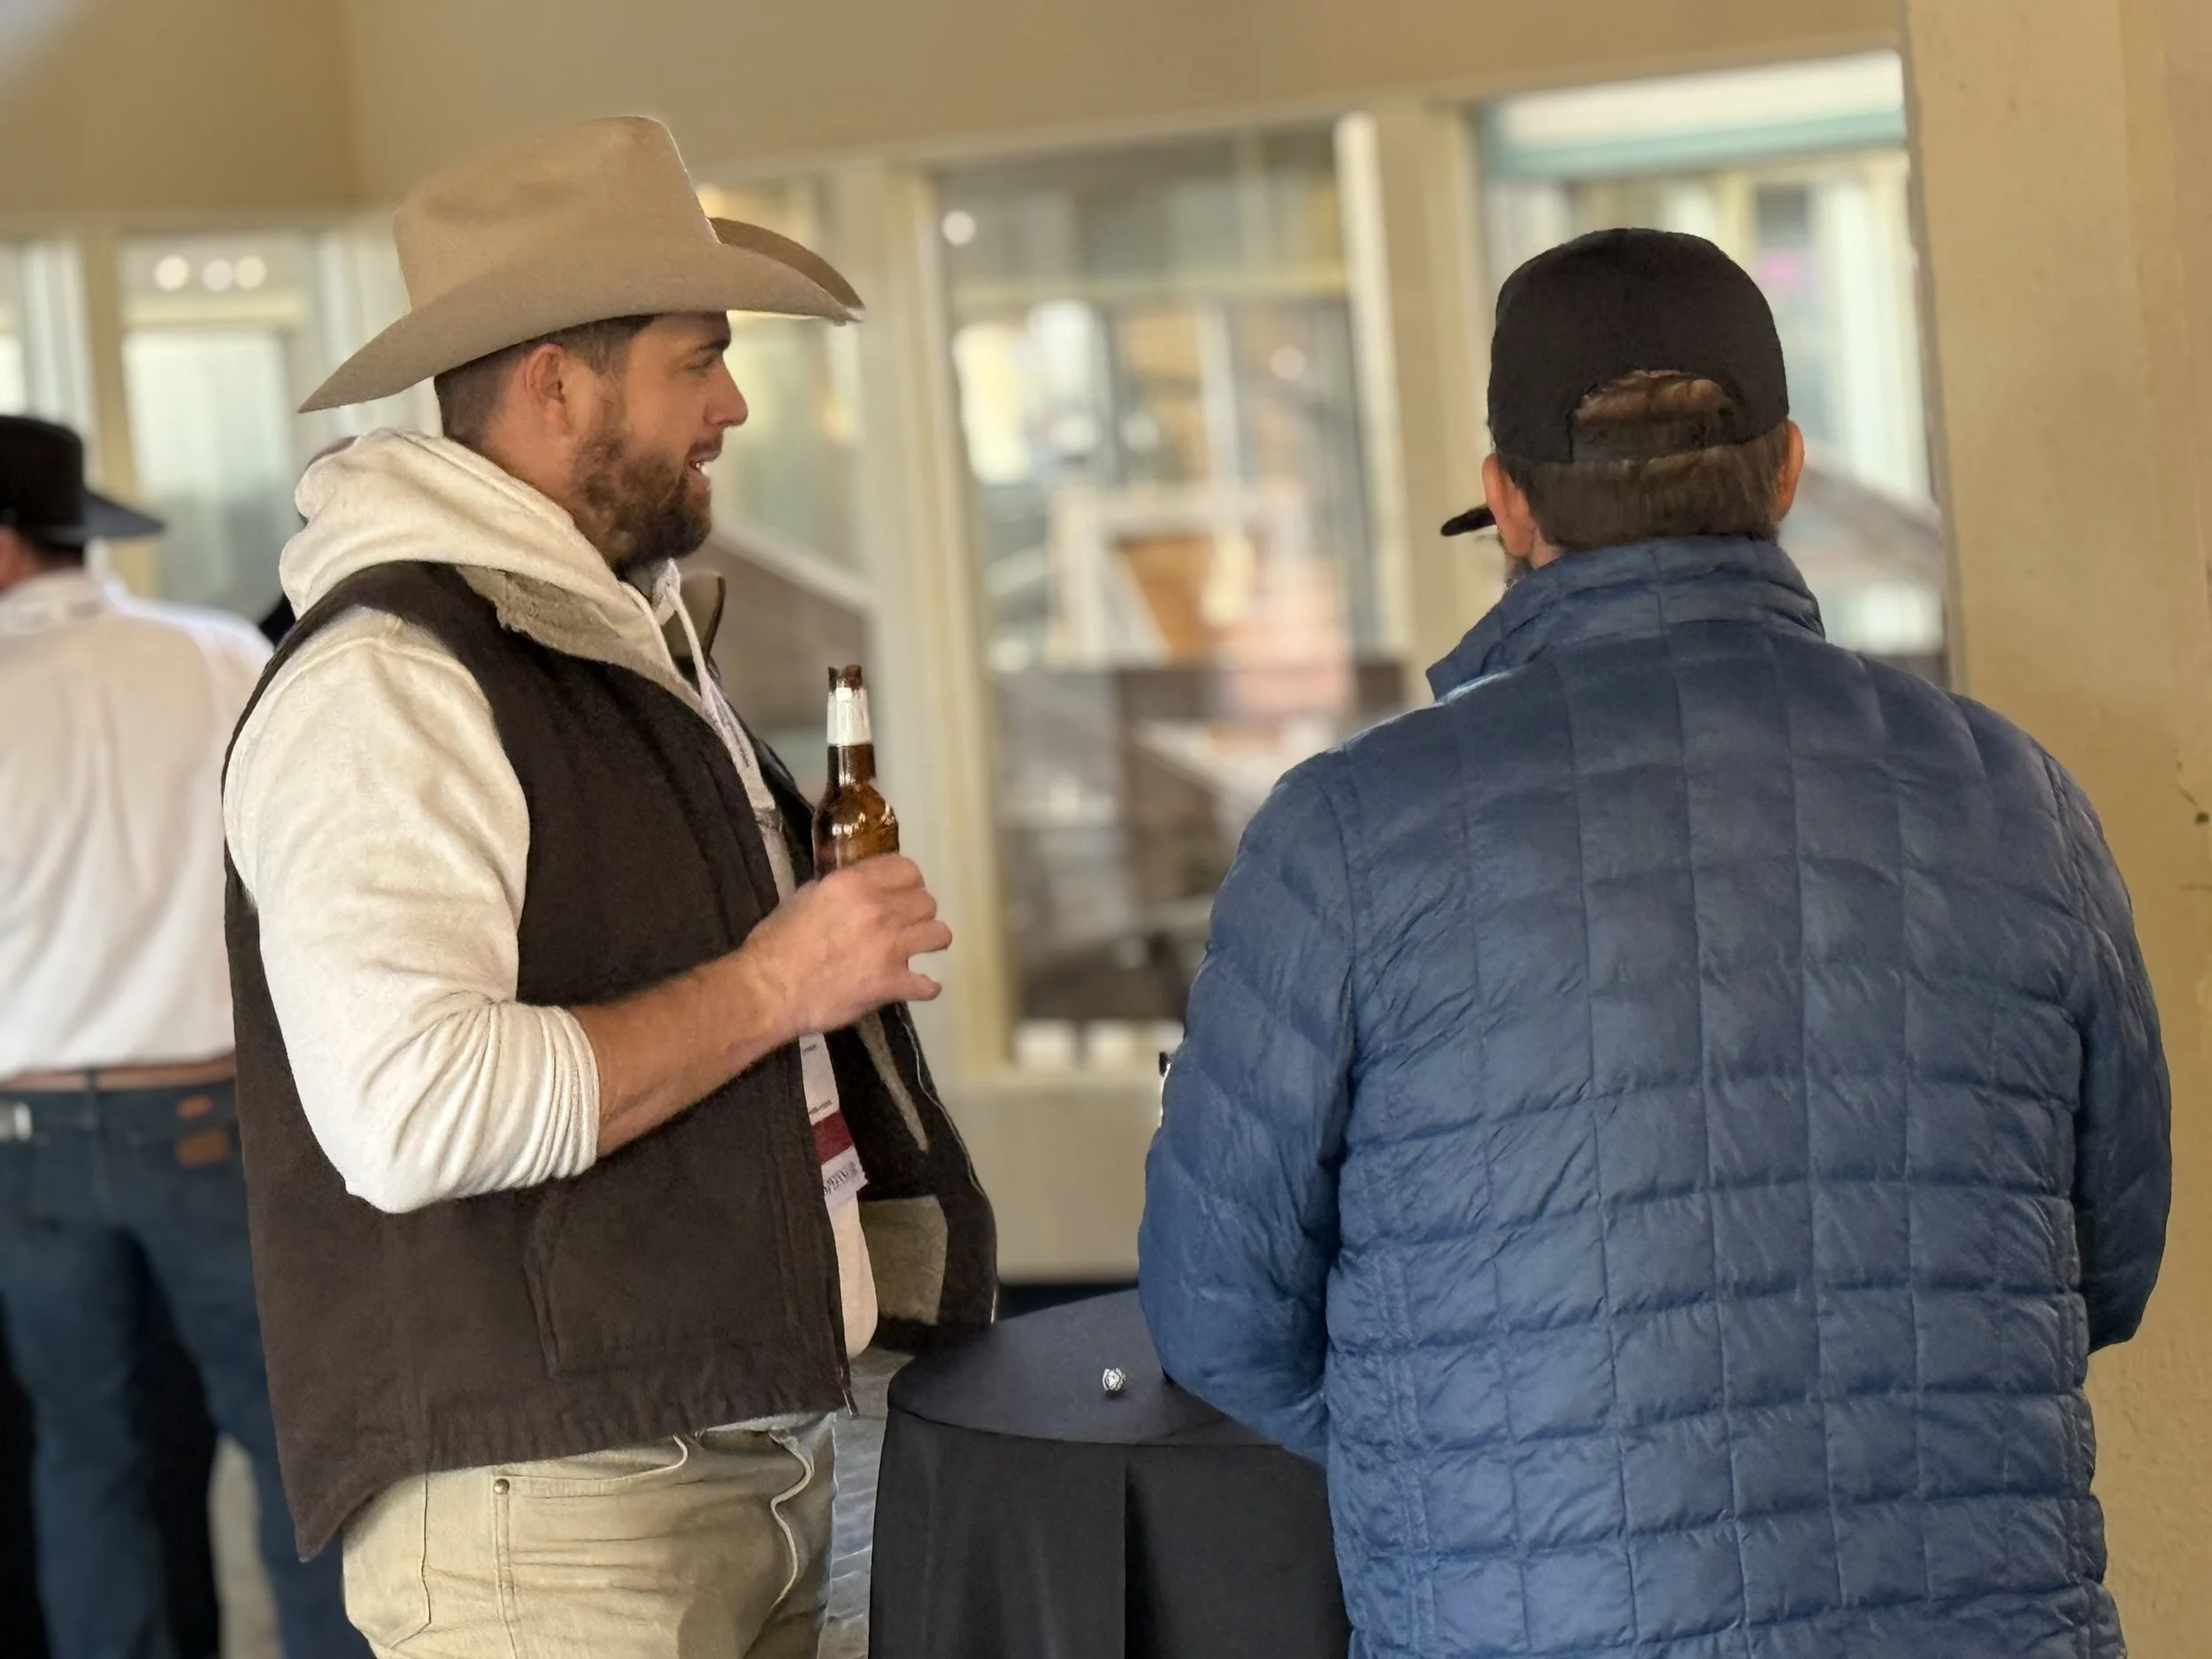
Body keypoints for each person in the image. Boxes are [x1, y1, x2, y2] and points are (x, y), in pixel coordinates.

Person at [1139, 227, 2170, 1659]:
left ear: (1506, 502)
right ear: (1789, 468)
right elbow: (2108, 1255)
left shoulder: (1347, 837)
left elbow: (1217, 1314)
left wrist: (1468, 1430)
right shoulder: (2018, 799)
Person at [220, 116, 995, 1658]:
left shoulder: (604, 631)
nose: (734, 404)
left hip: (730, 1457)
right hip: (554, 1525)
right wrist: (784, 979)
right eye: (694, 359)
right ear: (552, 380)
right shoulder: (389, 678)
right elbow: (411, 1109)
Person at [0, 415, 365, 1658]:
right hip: (216, 1120)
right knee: (290, 1441)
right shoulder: (217, 658)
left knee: (86, 1455)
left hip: (32, 1134)